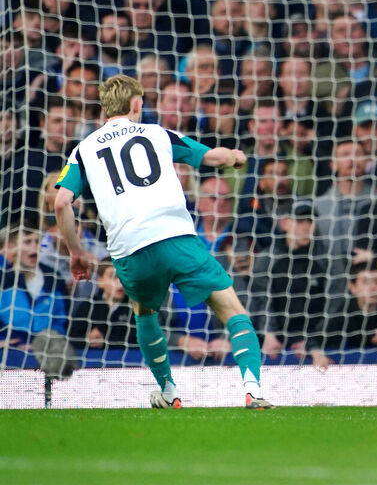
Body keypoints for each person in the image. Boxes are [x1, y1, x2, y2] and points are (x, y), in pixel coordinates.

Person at [52, 74, 274, 409]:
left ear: (104, 110)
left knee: (145, 313)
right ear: (137, 104)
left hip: (129, 250)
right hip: (175, 236)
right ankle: (253, 389)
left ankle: (169, 390)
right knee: (231, 308)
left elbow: (60, 202)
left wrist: (76, 253)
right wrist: (235, 156)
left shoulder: (84, 149)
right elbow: (213, 158)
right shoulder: (157, 133)